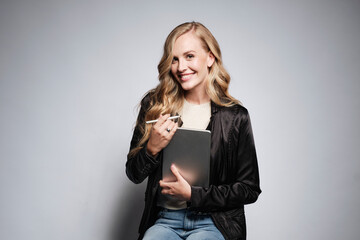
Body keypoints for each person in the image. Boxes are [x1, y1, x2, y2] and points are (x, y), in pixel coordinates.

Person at [126, 21, 261, 240]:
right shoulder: (155, 105)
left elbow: (249, 189)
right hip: (165, 219)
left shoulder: (235, 117)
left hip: (214, 222)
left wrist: (194, 195)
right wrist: (151, 148)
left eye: (189, 56)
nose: (180, 67)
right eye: (175, 59)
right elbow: (133, 173)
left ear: (210, 58)